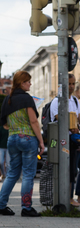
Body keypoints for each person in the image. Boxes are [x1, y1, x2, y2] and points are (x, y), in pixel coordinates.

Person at [0, 72, 46, 217]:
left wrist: (16, 127)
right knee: (27, 174)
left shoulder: (8, 99)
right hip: (28, 139)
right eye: (28, 81)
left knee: (12, 173)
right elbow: (33, 121)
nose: (30, 84)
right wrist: (41, 141)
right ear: (21, 83)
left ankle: (1, 205)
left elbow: (5, 124)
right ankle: (26, 208)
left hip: (12, 138)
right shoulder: (27, 99)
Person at [50, 73, 80, 207]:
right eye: (69, 84)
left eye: (73, 84)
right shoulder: (57, 101)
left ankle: (70, 198)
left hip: (72, 141)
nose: (71, 87)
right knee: (64, 170)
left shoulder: (74, 101)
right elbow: (58, 119)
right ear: (62, 85)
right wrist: (70, 127)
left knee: (73, 170)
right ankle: (65, 198)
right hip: (61, 141)